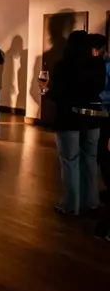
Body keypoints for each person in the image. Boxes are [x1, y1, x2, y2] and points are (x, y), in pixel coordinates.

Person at [42, 30, 105, 216]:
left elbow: (58, 93)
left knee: (70, 161)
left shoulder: (63, 65)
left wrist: (45, 91)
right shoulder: (98, 64)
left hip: (68, 117)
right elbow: (100, 88)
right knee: (91, 159)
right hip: (92, 117)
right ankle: (91, 202)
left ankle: (71, 205)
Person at [88, 33, 110, 197]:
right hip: (100, 109)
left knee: (99, 148)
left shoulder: (105, 65)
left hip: (104, 109)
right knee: (99, 148)